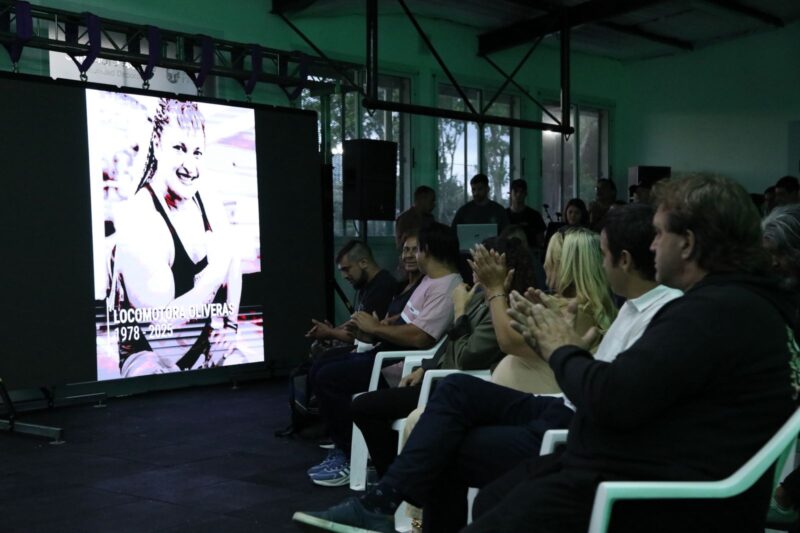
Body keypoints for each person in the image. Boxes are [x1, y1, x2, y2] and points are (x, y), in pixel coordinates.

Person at [292, 203, 680, 533]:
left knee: (442, 446)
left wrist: (559, 346)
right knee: (456, 389)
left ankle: (383, 502)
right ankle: (382, 501)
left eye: (605, 253)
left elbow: (602, 392)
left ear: (623, 261)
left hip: (571, 420)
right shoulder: (629, 307)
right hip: (558, 403)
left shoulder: (654, 315)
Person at [468, 174, 794, 532]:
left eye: (658, 234)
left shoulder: (714, 314)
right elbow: (633, 392)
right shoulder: (734, 305)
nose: (651, 247)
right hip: (644, 478)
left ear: (686, 243)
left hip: (654, 500)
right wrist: (572, 352)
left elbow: (610, 399)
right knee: (493, 498)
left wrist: (560, 347)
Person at [349, 237, 536, 478]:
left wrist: (459, 312)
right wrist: (425, 368)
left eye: (481, 266)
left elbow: (468, 358)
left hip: (458, 386)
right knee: (366, 404)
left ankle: (392, 482)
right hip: (439, 379)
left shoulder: (502, 308)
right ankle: (395, 478)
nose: (474, 271)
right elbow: (447, 343)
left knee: (364, 407)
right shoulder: (481, 298)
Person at [306, 222, 462, 487]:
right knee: (321, 367)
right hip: (386, 355)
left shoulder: (448, 286)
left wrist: (377, 328)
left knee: (330, 377)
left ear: (428, 251)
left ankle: (348, 453)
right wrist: (374, 328)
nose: (411, 256)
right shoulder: (428, 281)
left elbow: (421, 336)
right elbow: (402, 319)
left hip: (399, 367)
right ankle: (345, 447)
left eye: (416, 249)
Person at [112, 99, 242, 377]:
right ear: (157, 144)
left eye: (197, 152)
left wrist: (229, 327)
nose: (190, 166)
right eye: (179, 149)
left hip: (201, 347)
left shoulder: (202, 194)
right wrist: (214, 273)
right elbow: (161, 325)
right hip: (150, 357)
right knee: (146, 374)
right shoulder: (141, 219)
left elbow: (233, 256)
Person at [487, 227, 618, 393]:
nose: (545, 265)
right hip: (519, 405)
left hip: (538, 410)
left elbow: (509, 341)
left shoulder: (580, 311)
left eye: (552, 260)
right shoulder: (567, 305)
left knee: (454, 386)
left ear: (568, 266)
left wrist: (494, 290)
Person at [304, 240, 397, 348]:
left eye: (346, 269)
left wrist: (330, 333)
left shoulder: (383, 286)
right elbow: (355, 323)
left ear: (364, 263)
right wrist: (332, 330)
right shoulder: (366, 285)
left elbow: (364, 335)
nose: (344, 276)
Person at [506, 179, 546, 250]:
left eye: (521, 192)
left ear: (525, 194)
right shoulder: (503, 215)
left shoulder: (535, 216)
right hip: (508, 254)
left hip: (531, 255)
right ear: (510, 193)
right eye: (516, 191)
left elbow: (541, 241)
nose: (518, 195)